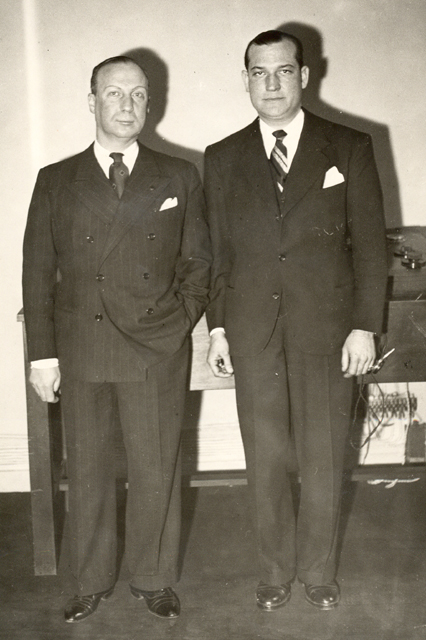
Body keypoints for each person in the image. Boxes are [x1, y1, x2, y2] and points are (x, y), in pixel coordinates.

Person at [22, 56, 211, 623]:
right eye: (113, 93)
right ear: (92, 101)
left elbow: (199, 264)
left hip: (157, 347)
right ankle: (91, 580)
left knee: (157, 467)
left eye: (138, 94)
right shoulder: (56, 179)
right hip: (84, 346)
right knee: (87, 470)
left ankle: (154, 578)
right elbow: (37, 272)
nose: (126, 105)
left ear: (150, 103)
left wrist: (177, 323)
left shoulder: (178, 174)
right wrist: (43, 355)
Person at [204, 30, 388, 611]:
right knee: (265, 458)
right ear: (246, 80)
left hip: (327, 332)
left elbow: (370, 247)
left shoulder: (349, 146)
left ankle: (318, 572)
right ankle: (275, 571)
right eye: (259, 73)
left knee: (324, 455)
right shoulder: (222, 157)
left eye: (283, 71)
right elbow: (218, 253)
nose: (272, 84)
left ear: (304, 76)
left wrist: (364, 325)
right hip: (252, 331)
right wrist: (217, 328)